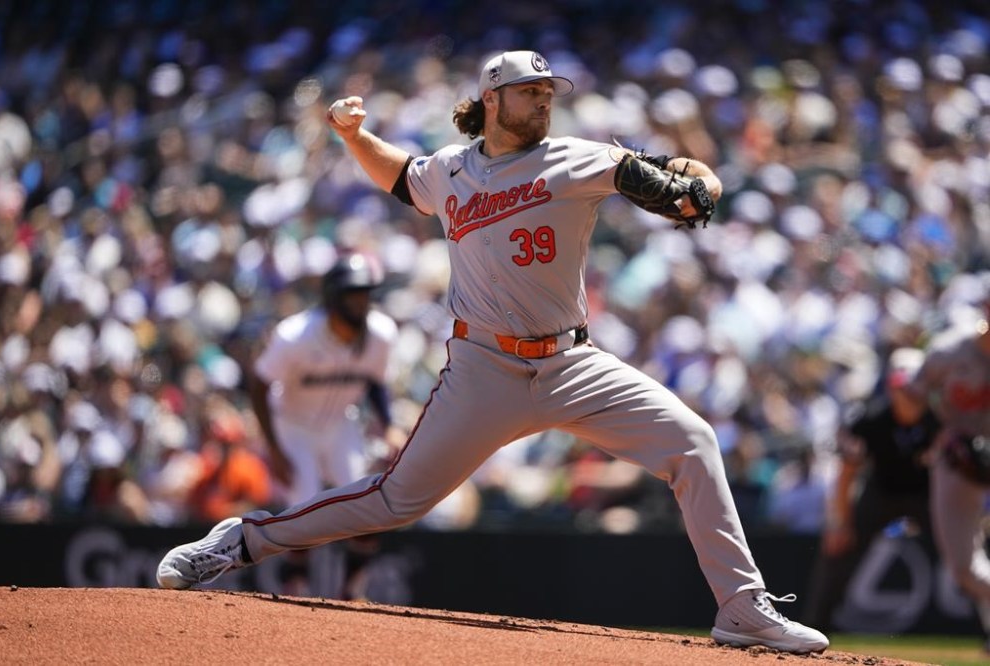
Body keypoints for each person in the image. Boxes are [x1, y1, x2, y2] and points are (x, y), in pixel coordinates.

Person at [157, 50, 828, 654]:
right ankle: (241, 541)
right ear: (491, 101)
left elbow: (678, 185)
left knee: (693, 441)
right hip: (483, 369)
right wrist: (356, 137)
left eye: (548, 92)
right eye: (529, 91)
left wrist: (696, 187)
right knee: (396, 501)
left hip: (572, 363)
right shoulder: (451, 171)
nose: (543, 100)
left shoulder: (581, 157)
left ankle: (741, 608)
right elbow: (401, 177)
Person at [248, 251, 400, 597]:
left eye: (366, 294)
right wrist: (272, 446)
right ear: (333, 297)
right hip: (293, 424)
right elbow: (259, 384)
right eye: (353, 294)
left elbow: (376, 381)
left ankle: (353, 587)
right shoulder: (295, 335)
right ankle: (295, 584)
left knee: (368, 498)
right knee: (304, 503)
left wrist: (388, 424)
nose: (362, 302)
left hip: (339, 424)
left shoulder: (382, 333)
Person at [802, 347, 940, 632]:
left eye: (916, 388)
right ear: (893, 386)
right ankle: (816, 626)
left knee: (966, 554)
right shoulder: (871, 420)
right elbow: (846, 475)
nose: (911, 395)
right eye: (905, 388)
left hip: (928, 496)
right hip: (882, 493)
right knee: (839, 547)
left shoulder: (940, 421)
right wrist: (840, 522)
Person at [903, 274, 990, 649]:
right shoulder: (950, 351)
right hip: (959, 459)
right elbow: (908, 407)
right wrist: (935, 432)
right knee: (964, 568)